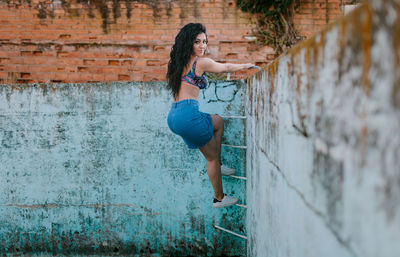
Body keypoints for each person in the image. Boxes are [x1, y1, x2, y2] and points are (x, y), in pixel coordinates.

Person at [166, 23, 256, 208]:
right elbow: (226, 68)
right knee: (211, 158)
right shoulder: (200, 62)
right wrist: (247, 65)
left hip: (175, 116)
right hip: (188, 115)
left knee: (218, 121)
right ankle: (219, 197)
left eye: (204, 42)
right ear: (188, 43)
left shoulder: (177, 63)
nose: (202, 46)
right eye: (197, 42)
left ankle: (219, 165)